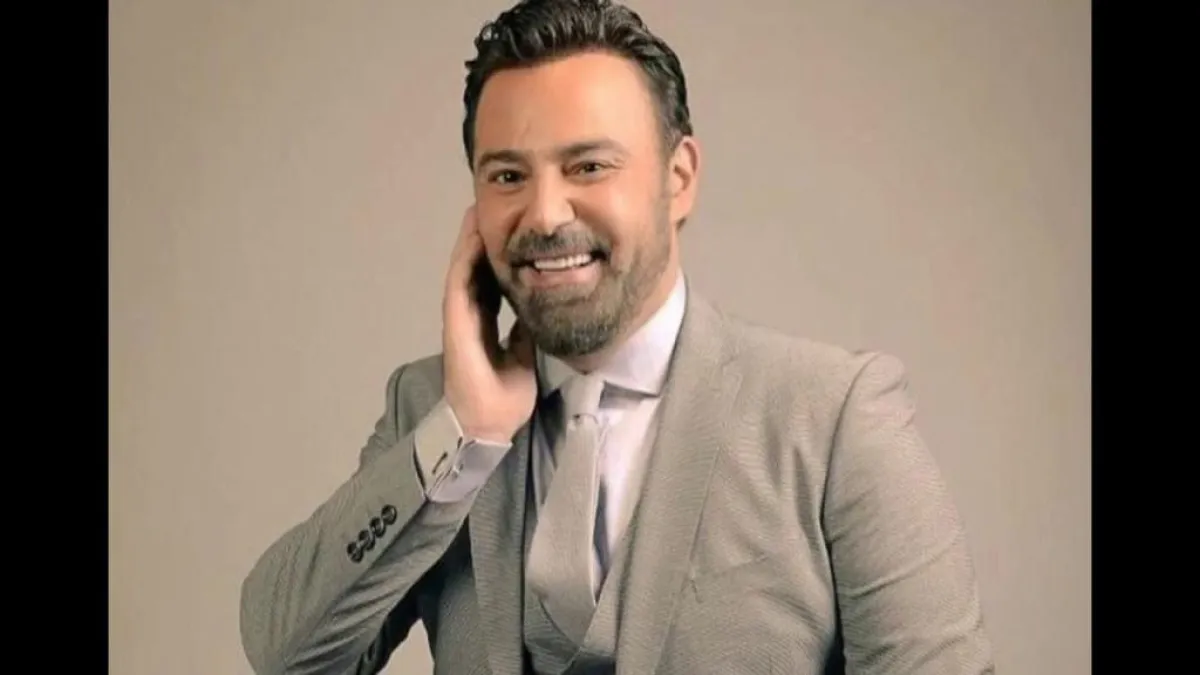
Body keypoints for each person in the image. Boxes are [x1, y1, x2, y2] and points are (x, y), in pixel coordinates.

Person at [238, 0, 995, 673]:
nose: (544, 214)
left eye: (589, 165)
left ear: (679, 177)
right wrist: (463, 435)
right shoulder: (430, 411)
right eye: (507, 176)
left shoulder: (833, 418)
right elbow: (286, 656)